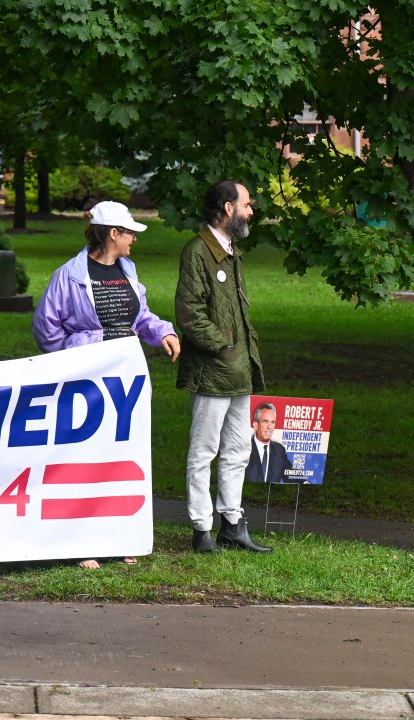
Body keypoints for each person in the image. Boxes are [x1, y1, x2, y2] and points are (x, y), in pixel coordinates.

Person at [33, 200, 180, 569]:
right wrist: (76, 357)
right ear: (112, 234)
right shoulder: (69, 275)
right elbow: (46, 328)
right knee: (86, 458)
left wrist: (163, 331)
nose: (134, 239)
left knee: (124, 456)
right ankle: (84, 542)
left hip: (124, 379)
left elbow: (141, 316)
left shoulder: (127, 269)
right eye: (129, 232)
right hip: (87, 382)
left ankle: (122, 536)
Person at [175, 180, 272, 554]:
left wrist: (238, 353)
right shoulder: (198, 252)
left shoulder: (231, 251)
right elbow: (189, 313)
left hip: (239, 369)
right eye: (247, 204)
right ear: (228, 208)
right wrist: (225, 347)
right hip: (214, 370)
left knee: (237, 450)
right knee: (203, 451)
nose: (251, 211)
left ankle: (232, 525)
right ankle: (202, 529)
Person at [245, 402, 295, 484]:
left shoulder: (279, 450)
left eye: (272, 422)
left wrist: (305, 483)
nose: (270, 427)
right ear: (255, 425)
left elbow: (291, 473)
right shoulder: (243, 447)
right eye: (265, 421)